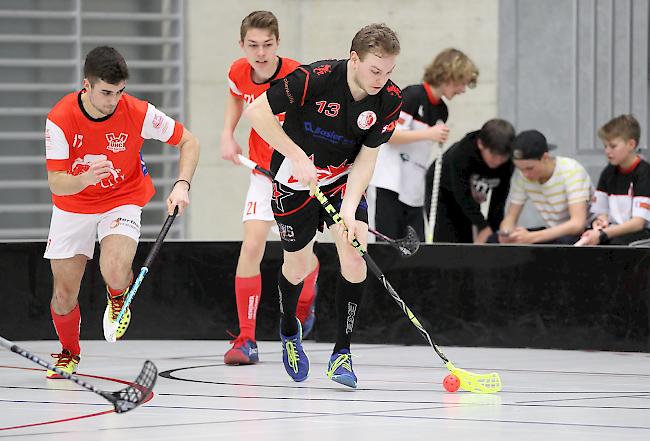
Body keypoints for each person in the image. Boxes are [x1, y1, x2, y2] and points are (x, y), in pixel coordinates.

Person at [244, 23, 402, 388]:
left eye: (389, 71)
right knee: (297, 267)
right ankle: (288, 328)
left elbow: (367, 158)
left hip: (342, 180)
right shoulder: (315, 78)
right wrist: (297, 156)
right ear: (354, 59)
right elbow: (257, 112)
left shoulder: (389, 99)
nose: (382, 79)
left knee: (354, 254)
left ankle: (341, 354)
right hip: (294, 181)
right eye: (375, 70)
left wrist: (348, 209)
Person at [43, 46, 200, 378]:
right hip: (72, 205)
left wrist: (182, 184)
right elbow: (57, 183)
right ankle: (69, 352)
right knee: (62, 294)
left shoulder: (137, 112)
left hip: (122, 197)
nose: (113, 100)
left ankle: (118, 294)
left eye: (119, 92)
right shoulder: (60, 118)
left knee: (114, 270)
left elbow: (189, 141)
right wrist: (83, 178)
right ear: (86, 86)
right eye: (105, 92)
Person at [220, 11, 320, 366]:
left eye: (267, 45)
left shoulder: (297, 76)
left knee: (301, 256)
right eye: (252, 45)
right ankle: (246, 338)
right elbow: (237, 96)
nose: (260, 53)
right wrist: (228, 134)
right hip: (261, 175)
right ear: (242, 44)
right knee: (252, 245)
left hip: (295, 177)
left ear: (278, 43)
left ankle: (304, 304)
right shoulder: (237, 71)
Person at [371, 48, 478, 241]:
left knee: (416, 246)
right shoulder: (412, 96)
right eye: (461, 82)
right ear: (449, 75)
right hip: (391, 184)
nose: (462, 89)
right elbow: (389, 135)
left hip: (413, 188)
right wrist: (429, 133)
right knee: (387, 245)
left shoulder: (442, 110)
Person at [424, 118, 515, 243]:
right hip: (444, 190)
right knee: (448, 239)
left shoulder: (508, 162)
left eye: (503, 158)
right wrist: (483, 226)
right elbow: (462, 193)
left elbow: (499, 200)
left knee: (471, 239)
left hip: (471, 192)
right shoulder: (463, 153)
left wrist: (493, 233)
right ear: (480, 144)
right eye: (493, 156)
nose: (498, 162)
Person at [493, 129, 591, 244]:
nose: (525, 174)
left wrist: (532, 237)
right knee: (493, 240)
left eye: (530, 168)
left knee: (560, 245)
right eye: (520, 169)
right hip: (552, 232)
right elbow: (510, 217)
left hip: (585, 232)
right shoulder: (522, 176)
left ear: (545, 158)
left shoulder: (571, 170)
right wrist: (506, 233)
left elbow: (577, 224)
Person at [578, 114, 650, 245]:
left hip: (641, 235)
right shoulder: (608, 172)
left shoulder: (644, 173)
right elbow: (600, 211)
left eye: (613, 146)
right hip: (613, 231)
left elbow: (638, 223)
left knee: (614, 247)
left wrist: (604, 234)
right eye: (605, 146)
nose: (607, 151)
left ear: (631, 144)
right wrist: (600, 221)